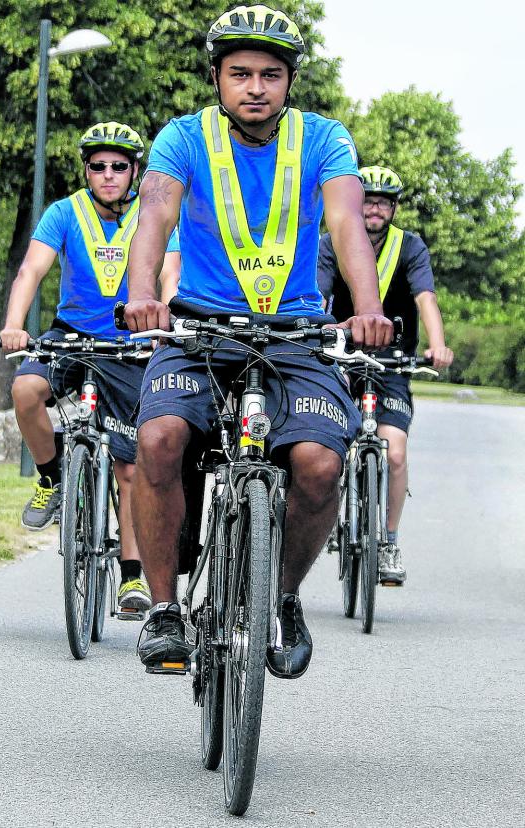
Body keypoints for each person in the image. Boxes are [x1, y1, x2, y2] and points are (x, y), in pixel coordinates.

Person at [124, 4, 393, 678]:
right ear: (216, 76)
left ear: (289, 80)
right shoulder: (182, 138)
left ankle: (283, 596)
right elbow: (154, 212)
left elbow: (348, 223)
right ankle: (162, 610)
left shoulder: (325, 138)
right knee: (157, 441)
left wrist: (366, 309)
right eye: (239, 72)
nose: (255, 87)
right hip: (199, 334)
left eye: (270, 74)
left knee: (320, 466)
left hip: (295, 337)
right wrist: (142, 296)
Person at [0, 121, 180, 612]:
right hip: (69, 336)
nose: (107, 174)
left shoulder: (154, 216)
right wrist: (16, 325)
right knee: (25, 391)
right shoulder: (63, 212)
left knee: (129, 465)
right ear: (86, 170)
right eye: (98, 166)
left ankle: (132, 576)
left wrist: (163, 327)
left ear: (135, 171)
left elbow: (171, 276)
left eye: (118, 166)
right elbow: (31, 270)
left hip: (130, 346)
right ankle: (52, 477)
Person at [318, 164, 453, 584]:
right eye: (367, 200)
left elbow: (425, 297)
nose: (374, 209)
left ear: (393, 208)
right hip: (341, 358)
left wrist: (437, 344)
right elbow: (320, 293)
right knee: (325, 449)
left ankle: (389, 540)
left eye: (383, 201)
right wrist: (320, 331)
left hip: (392, 361)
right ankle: (329, 518)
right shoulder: (330, 242)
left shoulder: (410, 247)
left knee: (393, 452)